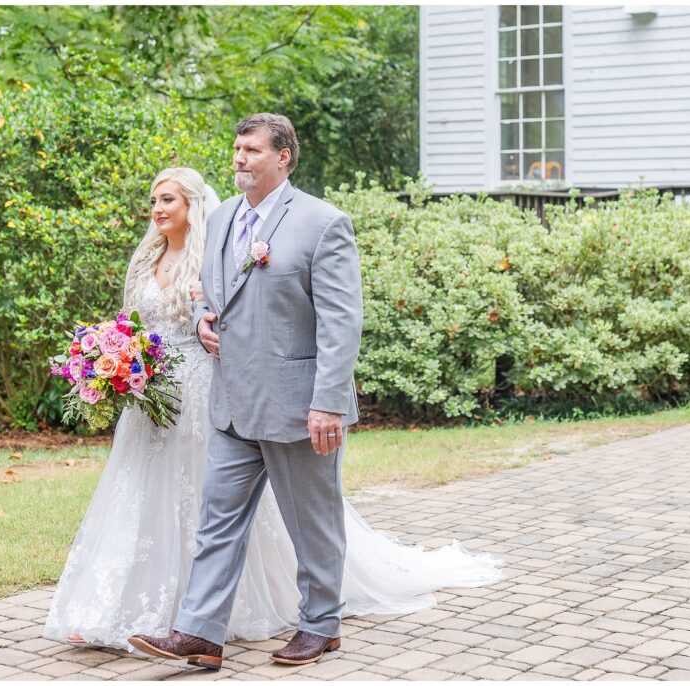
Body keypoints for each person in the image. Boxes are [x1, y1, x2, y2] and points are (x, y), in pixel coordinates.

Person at [44, 147, 502, 657]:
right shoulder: (220, 221)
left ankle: (321, 624)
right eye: (236, 149)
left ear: (283, 157)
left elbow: (340, 321)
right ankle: (199, 633)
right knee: (217, 522)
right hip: (229, 404)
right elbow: (206, 293)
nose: (239, 158)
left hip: (298, 405)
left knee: (312, 521)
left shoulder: (322, 222)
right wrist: (200, 318)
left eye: (252, 150)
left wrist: (327, 402)